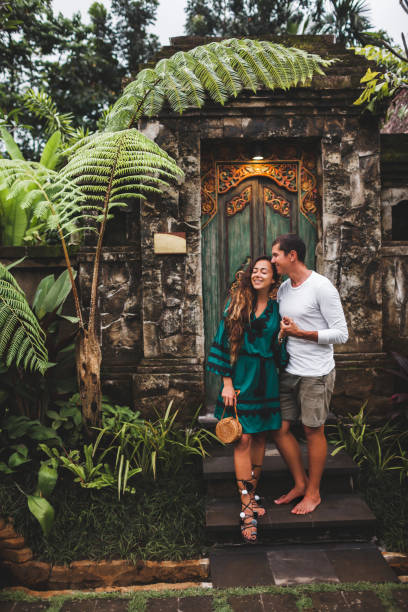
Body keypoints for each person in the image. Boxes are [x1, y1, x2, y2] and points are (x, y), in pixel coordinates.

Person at [207, 256, 288, 543]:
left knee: (260, 439)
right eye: (254, 270)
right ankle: (246, 508)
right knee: (242, 439)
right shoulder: (237, 304)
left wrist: (281, 336)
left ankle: (252, 496)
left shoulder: (278, 309)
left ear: (273, 279)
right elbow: (221, 342)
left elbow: (280, 356)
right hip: (240, 379)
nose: (257, 274)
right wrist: (226, 383)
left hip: (265, 381)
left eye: (264, 271)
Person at [271, 233, 348, 515]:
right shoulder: (284, 289)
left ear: (292, 256)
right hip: (288, 371)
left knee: (313, 429)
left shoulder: (321, 287)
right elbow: (285, 327)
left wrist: (301, 333)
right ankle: (300, 483)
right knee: (278, 429)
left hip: (316, 373)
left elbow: (341, 334)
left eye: (276, 254)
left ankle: (314, 493)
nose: (272, 260)